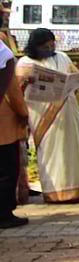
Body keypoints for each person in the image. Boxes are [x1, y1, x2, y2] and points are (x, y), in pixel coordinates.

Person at [16, 29, 79, 203]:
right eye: (45, 45)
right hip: (41, 114)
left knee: (72, 149)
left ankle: (78, 189)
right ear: (35, 46)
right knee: (50, 152)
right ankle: (54, 192)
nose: (50, 47)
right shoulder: (25, 63)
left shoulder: (62, 57)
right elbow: (17, 89)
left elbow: (75, 76)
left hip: (67, 110)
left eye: (52, 43)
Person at [0, 35, 27, 228]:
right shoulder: (5, 58)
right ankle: (4, 214)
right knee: (7, 170)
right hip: (4, 124)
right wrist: (24, 113)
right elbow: (13, 91)